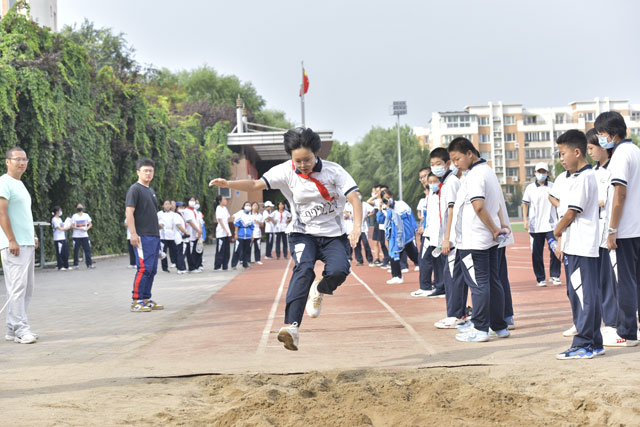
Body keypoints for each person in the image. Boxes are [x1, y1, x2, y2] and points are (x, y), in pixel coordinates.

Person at [209, 127, 362, 351]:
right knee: (303, 269)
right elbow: (254, 185)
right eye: (297, 160)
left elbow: (354, 197)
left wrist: (356, 227)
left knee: (339, 271)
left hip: (333, 235)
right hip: (302, 233)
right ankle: (291, 327)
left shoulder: (334, 171)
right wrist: (228, 184)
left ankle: (319, 290)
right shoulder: (285, 171)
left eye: (307, 160)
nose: (302, 165)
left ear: (316, 154)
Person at [448, 137, 510, 342]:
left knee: (478, 284)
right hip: (486, 240)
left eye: (457, 159)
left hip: (474, 240)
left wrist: (494, 229)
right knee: (493, 281)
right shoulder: (488, 171)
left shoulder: (475, 175)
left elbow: (479, 206)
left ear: (469, 153)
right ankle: (499, 326)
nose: (455, 164)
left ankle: (481, 328)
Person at [552, 130, 602, 359]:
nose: (561, 158)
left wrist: (557, 230)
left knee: (583, 295)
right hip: (576, 245)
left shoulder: (584, 177)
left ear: (577, 152)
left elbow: (572, 212)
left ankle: (583, 344)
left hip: (582, 244)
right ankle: (595, 343)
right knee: (582, 293)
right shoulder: (574, 177)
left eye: (563, 153)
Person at [595, 112, 640, 347]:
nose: (601, 140)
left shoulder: (621, 155)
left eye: (602, 135)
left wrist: (612, 229)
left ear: (612, 135)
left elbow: (619, 194)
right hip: (637, 227)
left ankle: (627, 332)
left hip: (626, 229)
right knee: (635, 281)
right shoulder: (636, 151)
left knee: (626, 282)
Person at [0, 147, 39, 344]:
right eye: (17, 159)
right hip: (14, 244)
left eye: (24, 159)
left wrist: (32, 235)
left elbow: (24, 215)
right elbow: (2, 213)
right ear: (8, 161)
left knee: (26, 288)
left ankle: (11, 328)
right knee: (17, 288)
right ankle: (21, 329)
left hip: (26, 243)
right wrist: (11, 239)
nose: (22, 163)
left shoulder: (20, 184)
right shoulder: (3, 182)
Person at [428, 148, 468, 329]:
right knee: (451, 275)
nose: (435, 167)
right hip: (450, 238)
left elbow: (452, 211)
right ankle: (458, 313)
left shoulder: (451, 183)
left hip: (453, 239)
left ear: (447, 164)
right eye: (432, 164)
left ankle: (456, 314)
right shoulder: (446, 183)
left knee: (453, 277)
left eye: (438, 164)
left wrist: (447, 238)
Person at [586, 128, 617, 338]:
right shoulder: (592, 173)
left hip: (613, 234)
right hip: (594, 236)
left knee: (612, 280)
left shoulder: (615, 169)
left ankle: (614, 322)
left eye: (592, 147)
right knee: (598, 281)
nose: (590, 152)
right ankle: (606, 321)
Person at [125, 158, 164, 312]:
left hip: (154, 235)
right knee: (144, 268)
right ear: (138, 172)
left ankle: (146, 299)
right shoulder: (135, 189)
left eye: (150, 171)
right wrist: (133, 234)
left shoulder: (151, 191)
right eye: (145, 171)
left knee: (152, 268)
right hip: (142, 236)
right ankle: (136, 301)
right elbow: (129, 212)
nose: (148, 173)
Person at [522, 162, 561, 287]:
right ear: (535, 173)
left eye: (544, 172)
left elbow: (558, 202)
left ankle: (555, 275)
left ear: (547, 173)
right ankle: (540, 278)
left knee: (555, 250)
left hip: (551, 225)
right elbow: (525, 204)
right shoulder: (530, 188)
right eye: (539, 172)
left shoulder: (553, 186)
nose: (541, 174)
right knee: (536, 254)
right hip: (535, 226)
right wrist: (525, 220)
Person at [377, 188, 419, 285]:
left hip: (405, 234)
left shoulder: (400, 204)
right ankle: (396, 276)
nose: (387, 200)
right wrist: (380, 208)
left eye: (389, 197)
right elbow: (380, 220)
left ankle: (426, 266)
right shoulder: (384, 209)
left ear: (392, 196)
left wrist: (414, 228)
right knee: (393, 254)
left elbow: (410, 215)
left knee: (412, 253)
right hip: (393, 235)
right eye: (385, 198)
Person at [414, 174, 445, 297]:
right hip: (429, 232)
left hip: (438, 234)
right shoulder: (429, 196)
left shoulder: (441, 193)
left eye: (432, 180)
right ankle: (433, 286)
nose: (425, 181)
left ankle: (437, 286)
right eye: (421, 178)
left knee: (431, 260)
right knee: (428, 260)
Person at [71, 202, 94, 269]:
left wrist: (86, 228)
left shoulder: (86, 215)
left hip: (84, 235)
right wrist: (78, 228)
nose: (79, 208)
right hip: (76, 236)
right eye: (78, 207)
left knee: (87, 250)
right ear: (76, 208)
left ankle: (89, 264)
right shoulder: (74, 216)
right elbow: (72, 226)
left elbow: (90, 224)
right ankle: (76, 264)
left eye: (80, 206)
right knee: (76, 250)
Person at [157, 200, 178, 273]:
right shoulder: (159, 214)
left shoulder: (173, 214)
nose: (167, 206)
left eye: (169, 204)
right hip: (163, 235)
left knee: (174, 250)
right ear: (163, 205)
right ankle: (164, 268)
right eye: (166, 204)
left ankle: (177, 264)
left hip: (171, 234)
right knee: (163, 252)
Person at [183, 196, 202, 273]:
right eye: (191, 200)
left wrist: (200, 231)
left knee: (196, 251)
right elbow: (190, 222)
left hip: (197, 234)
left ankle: (197, 266)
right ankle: (191, 267)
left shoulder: (195, 210)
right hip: (191, 234)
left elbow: (199, 221)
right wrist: (198, 230)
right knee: (190, 252)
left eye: (193, 200)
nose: (192, 202)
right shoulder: (186, 211)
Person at [233, 201, 254, 269]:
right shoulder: (240, 213)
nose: (248, 206)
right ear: (244, 206)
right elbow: (236, 224)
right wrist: (236, 233)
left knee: (246, 250)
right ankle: (234, 264)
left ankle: (245, 264)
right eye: (246, 205)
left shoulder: (251, 215)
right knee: (238, 249)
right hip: (241, 234)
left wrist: (252, 235)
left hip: (248, 234)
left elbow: (252, 227)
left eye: (249, 205)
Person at [214, 195, 231, 271]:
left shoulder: (225, 208)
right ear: (220, 201)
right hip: (221, 232)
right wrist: (225, 230)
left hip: (227, 232)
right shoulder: (218, 208)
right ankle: (217, 266)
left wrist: (228, 230)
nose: (226, 200)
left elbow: (227, 219)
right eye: (224, 199)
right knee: (220, 250)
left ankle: (225, 265)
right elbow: (220, 220)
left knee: (227, 250)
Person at [51, 206, 70, 271]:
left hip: (63, 237)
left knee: (65, 252)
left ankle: (66, 265)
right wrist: (66, 228)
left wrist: (67, 225)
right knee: (60, 253)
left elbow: (62, 225)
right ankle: (60, 266)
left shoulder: (59, 219)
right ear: (57, 212)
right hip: (58, 238)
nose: (60, 212)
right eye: (60, 210)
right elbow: (59, 228)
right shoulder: (54, 219)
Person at [174, 201, 189, 274]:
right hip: (179, 236)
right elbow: (178, 225)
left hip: (183, 237)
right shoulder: (176, 215)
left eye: (183, 207)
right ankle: (181, 268)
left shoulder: (181, 215)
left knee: (182, 252)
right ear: (177, 208)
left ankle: (181, 267)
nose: (182, 208)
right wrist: (185, 232)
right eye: (180, 207)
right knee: (181, 253)